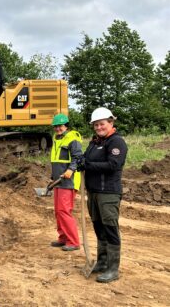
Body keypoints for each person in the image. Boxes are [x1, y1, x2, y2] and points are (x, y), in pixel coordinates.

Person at [83, 107, 128, 283]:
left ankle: (112, 269)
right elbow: (86, 159)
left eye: (102, 124)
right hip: (93, 192)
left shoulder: (116, 142)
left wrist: (87, 165)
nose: (99, 127)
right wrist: (81, 162)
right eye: (96, 125)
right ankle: (102, 263)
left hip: (108, 193)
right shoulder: (94, 142)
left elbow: (113, 165)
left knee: (110, 230)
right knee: (99, 228)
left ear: (111, 123)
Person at [49, 113, 82, 251]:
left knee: (64, 210)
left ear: (66, 126)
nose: (58, 129)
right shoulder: (57, 139)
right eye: (56, 127)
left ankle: (73, 241)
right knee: (58, 211)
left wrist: (71, 169)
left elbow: (78, 157)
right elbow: (56, 160)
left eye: (60, 126)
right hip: (59, 180)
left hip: (69, 180)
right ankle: (63, 238)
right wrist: (53, 176)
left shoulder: (72, 138)